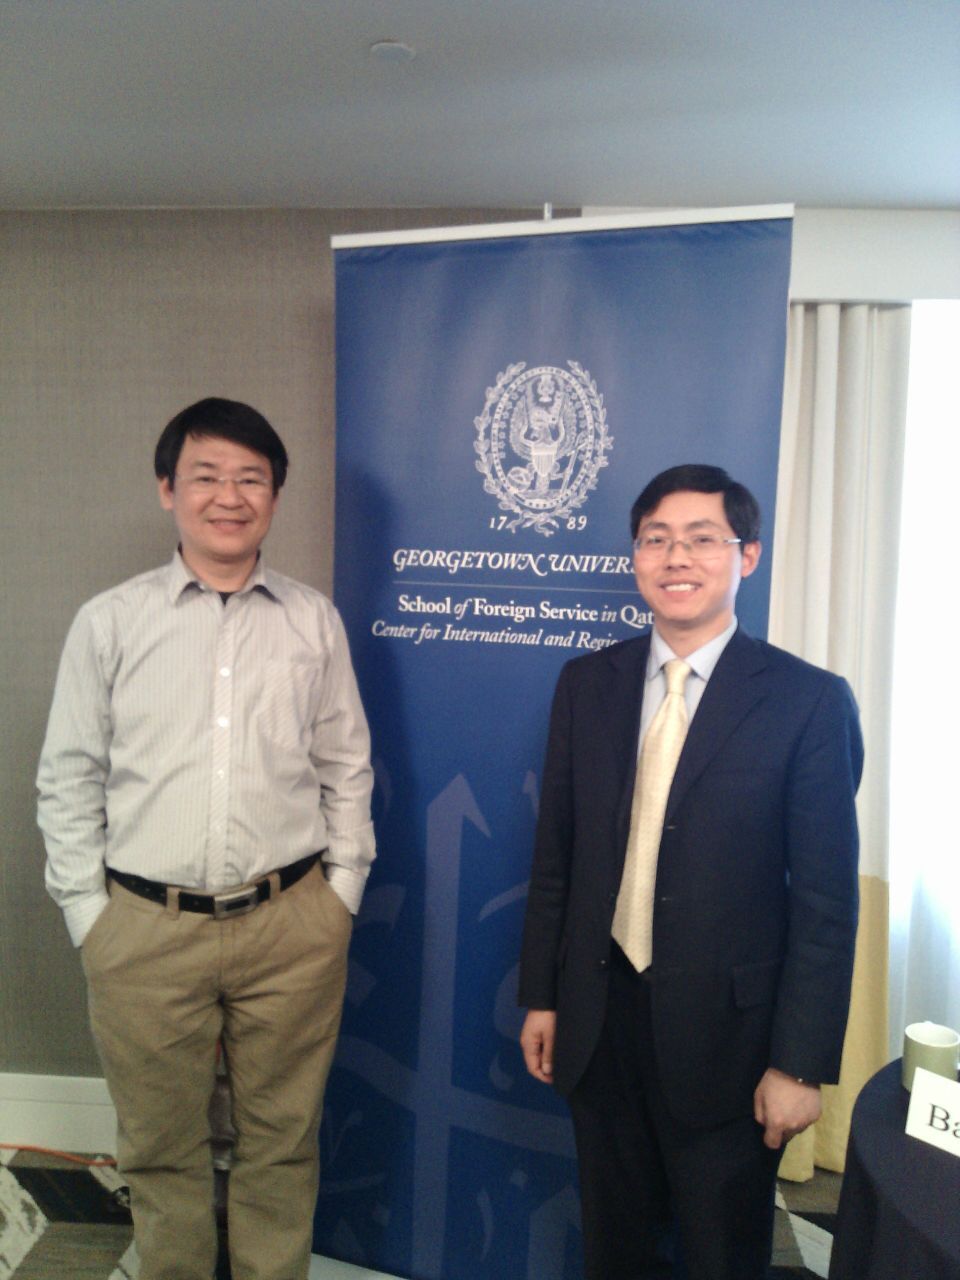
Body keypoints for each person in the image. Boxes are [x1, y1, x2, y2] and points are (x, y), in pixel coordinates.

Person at [37, 397, 375, 1280]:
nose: (230, 496)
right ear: (167, 489)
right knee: (158, 1147)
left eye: (251, 478)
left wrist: (340, 894)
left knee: (283, 1141)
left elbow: (346, 765)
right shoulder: (110, 621)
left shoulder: (312, 621)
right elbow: (68, 776)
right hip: (143, 932)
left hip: (292, 925)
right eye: (207, 476)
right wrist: (89, 917)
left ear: (275, 495)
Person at [518, 464, 862, 1280]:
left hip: (731, 1043)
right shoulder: (587, 684)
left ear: (748, 556)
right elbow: (557, 858)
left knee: (721, 1254)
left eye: (703, 539)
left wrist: (799, 1063)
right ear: (636, 557)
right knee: (615, 1248)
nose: (677, 557)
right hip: (600, 1022)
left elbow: (825, 903)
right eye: (656, 539)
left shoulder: (809, 702)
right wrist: (544, 994)